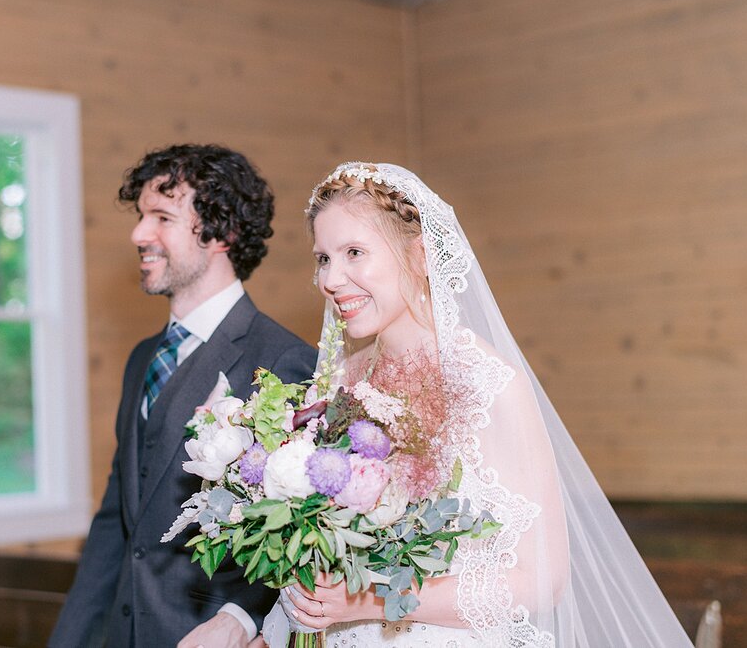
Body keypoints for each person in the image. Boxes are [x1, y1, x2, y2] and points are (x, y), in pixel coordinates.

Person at [278, 162, 692, 646]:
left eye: (354, 252)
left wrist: (370, 599)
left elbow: (543, 581)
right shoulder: (340, 381)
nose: (332, 278)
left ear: (419, 255)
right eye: (323, 258)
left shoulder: (489, 384)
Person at [48, 145, 316, 648]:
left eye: (162, 217)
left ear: (222, 233)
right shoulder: (141, 360)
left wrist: (244, 616)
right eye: (141, 215)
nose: (138, 234)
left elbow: (301, 533)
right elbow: (116, 523)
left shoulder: (284, 360)